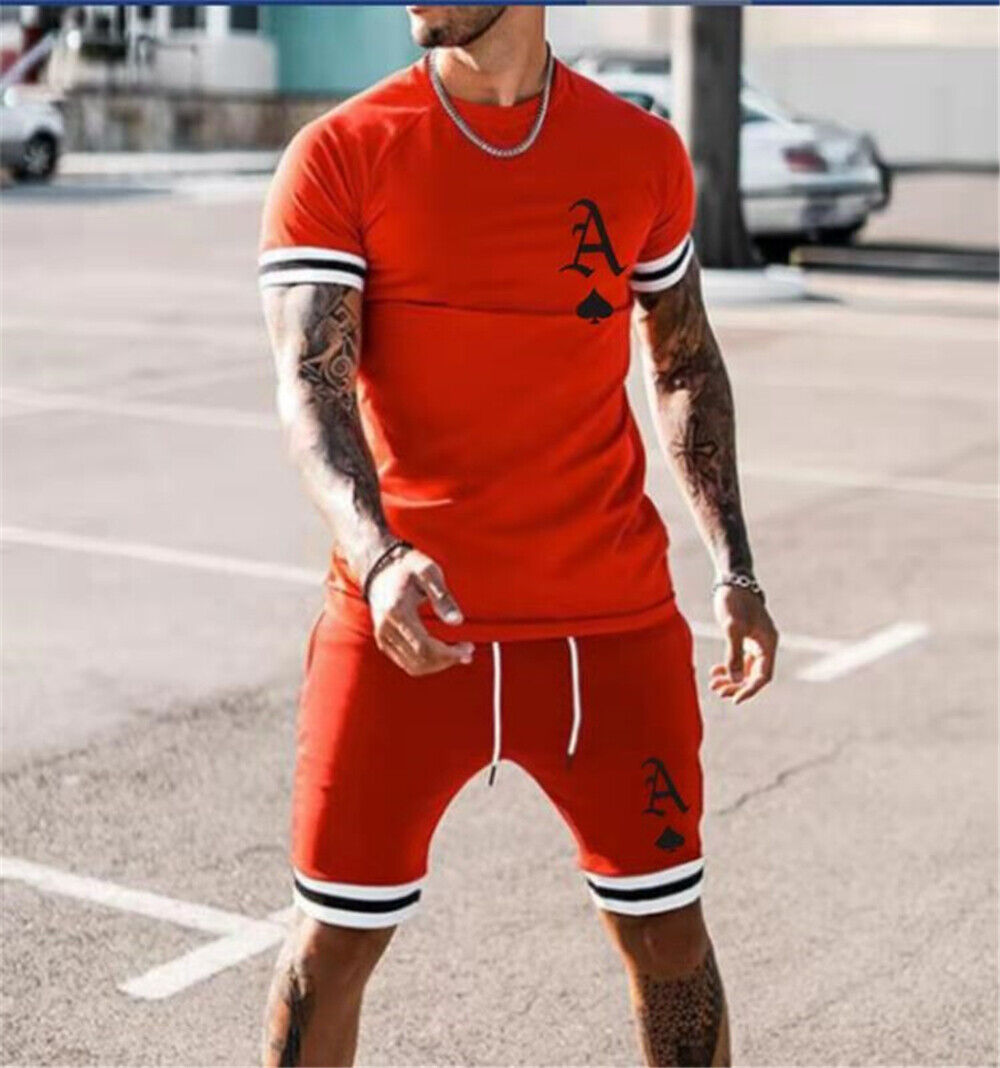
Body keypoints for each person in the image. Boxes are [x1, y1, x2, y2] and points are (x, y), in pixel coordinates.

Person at [258, 6, 778, 1065]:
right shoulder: (341, 153)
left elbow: (682, 363)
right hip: (406, 620)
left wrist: (735, 568)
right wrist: (378, 555)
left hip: (608, 624)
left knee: (668, 934)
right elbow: (312, 385)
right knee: (331, 945)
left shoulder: (638, 153)